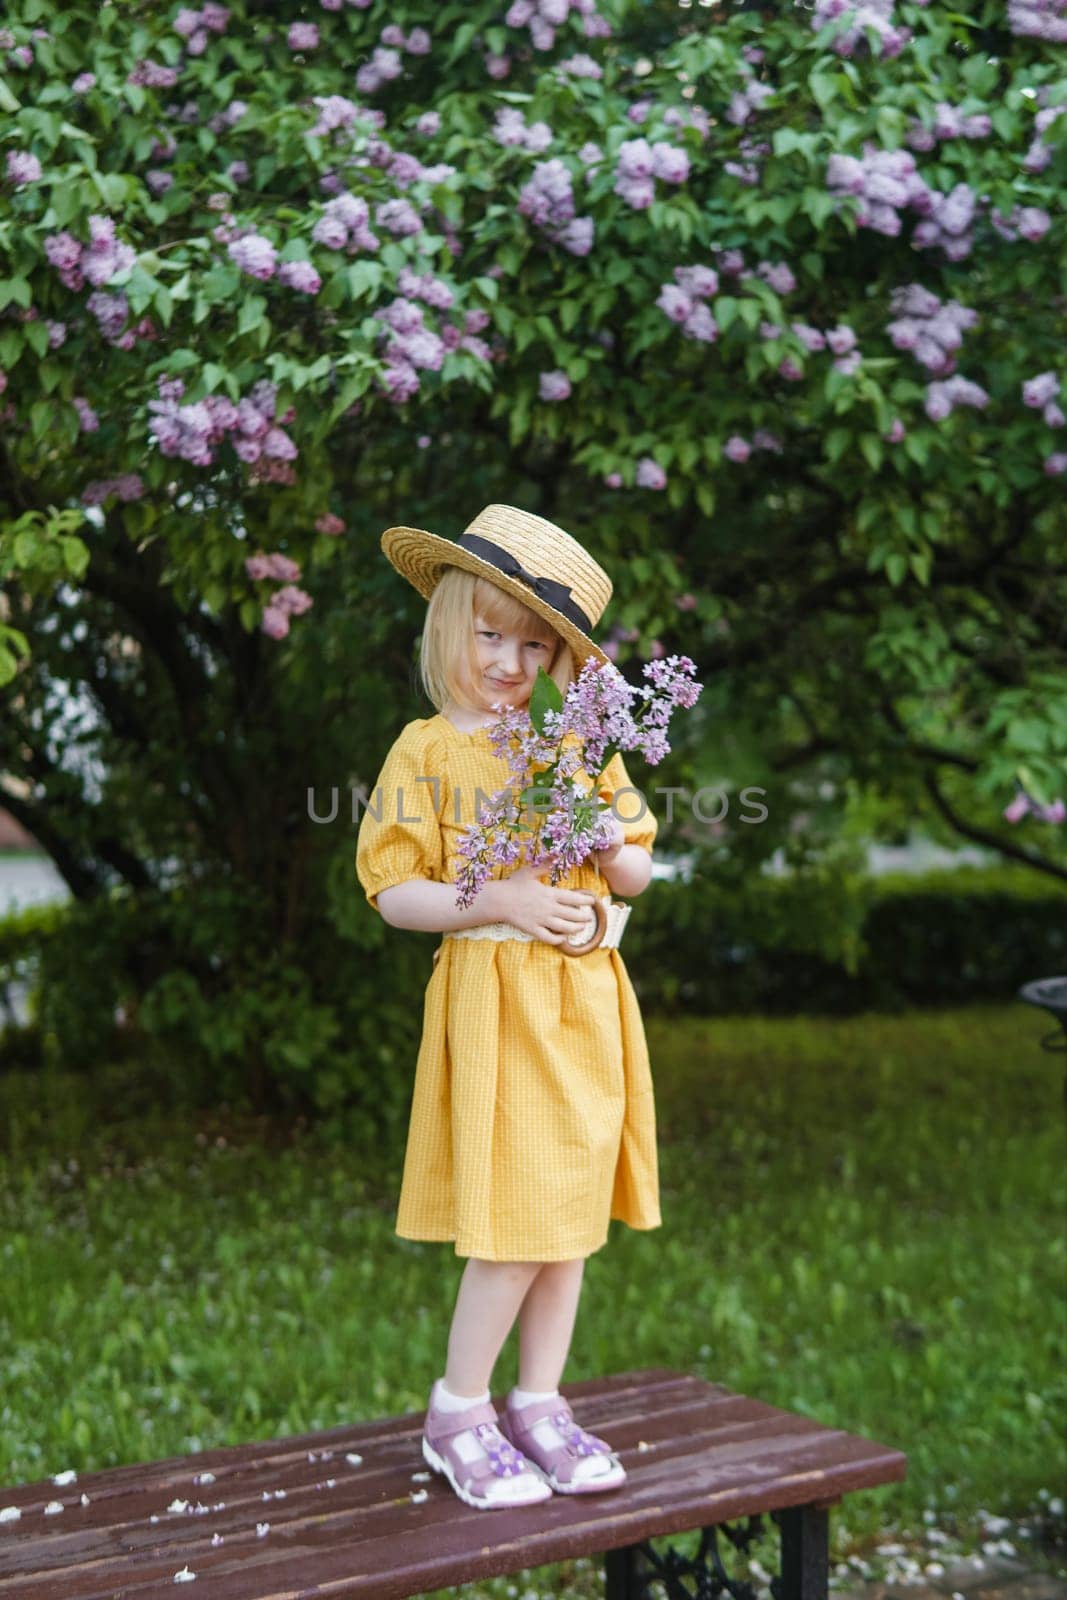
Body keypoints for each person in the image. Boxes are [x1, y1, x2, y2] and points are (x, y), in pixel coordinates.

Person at [355, 503, 661, 1511]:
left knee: (567, 1221)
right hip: (495, 1007)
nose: (507, 659)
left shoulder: (576, 746)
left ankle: (538, 1401)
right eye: (488, 631)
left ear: (564, 663)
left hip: (584, 1006)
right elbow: (394, 889)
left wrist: (599, 838)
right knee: (512, 1225)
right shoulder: (426, 751)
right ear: (448, 622)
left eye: (535, 644)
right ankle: (457, 1410)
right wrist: (496, 895)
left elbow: (633, 872)